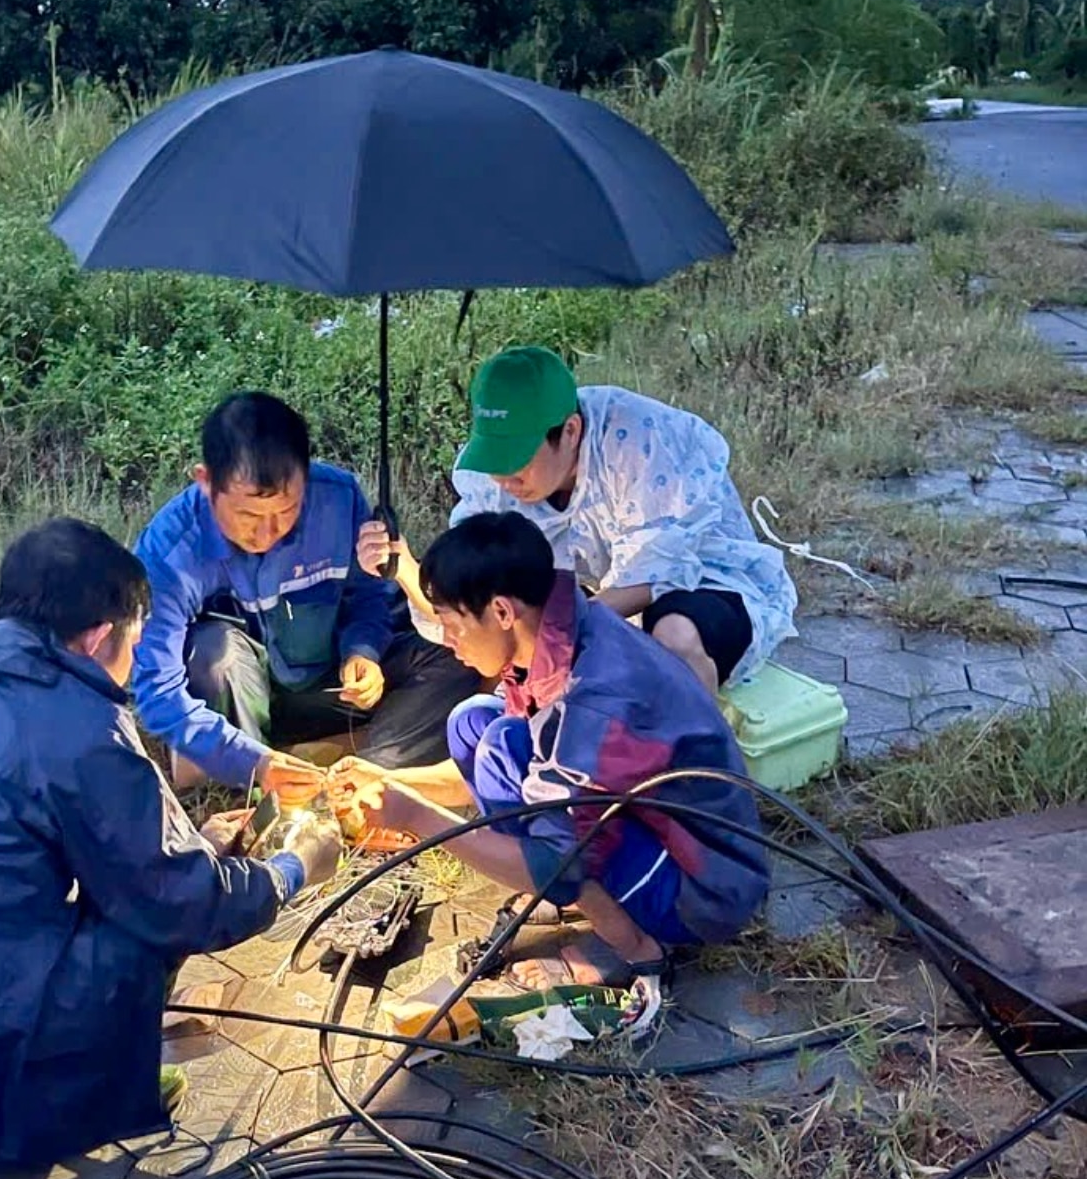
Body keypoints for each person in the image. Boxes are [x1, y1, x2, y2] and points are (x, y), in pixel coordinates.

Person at [0, 518, 343, 1169]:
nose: (134, 660)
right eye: (136, 639)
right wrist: (293, 868)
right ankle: (80, 1098)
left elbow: (10, 834)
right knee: (143, 928)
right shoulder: (81, 723)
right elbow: (179, 901)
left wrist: (190, 845)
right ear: (102, 635)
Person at [333, 512, 768, 993]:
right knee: (478, 725)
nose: (449, 643)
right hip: (649, 826)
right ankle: (579, 897)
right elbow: (511, 762)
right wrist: (391, 781)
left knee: (549, 844)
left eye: (453, 626)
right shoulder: (561, 629)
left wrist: (417, 820)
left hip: (701, 886)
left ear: (501, 613)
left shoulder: (597, 700)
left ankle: (636, 950)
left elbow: (558, 859)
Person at [357, 345, 797, 693]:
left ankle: (692, 773)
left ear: (569, 431)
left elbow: (659, 571)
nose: (505, 478)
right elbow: (471, 588)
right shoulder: (495, 481)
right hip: (589, 594)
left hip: (701, 581)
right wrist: (406, 569)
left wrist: (553, 634)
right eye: (495, 460)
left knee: (672, 640)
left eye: (518, 462)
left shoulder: (640, 442)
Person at [132, 391, 484, 802]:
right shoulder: (170, 551)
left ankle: (363, 772)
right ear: (206, 481)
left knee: (453, 653)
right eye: (248, 517)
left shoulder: (338, 497)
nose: (266, 534)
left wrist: (364, 653)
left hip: (327, 687)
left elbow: (370, 595)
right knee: (216, 654)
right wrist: (252, 761)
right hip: (241, 708)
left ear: (306, 476)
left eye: (287, 511)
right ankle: (252, 775)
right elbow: (157, 691)